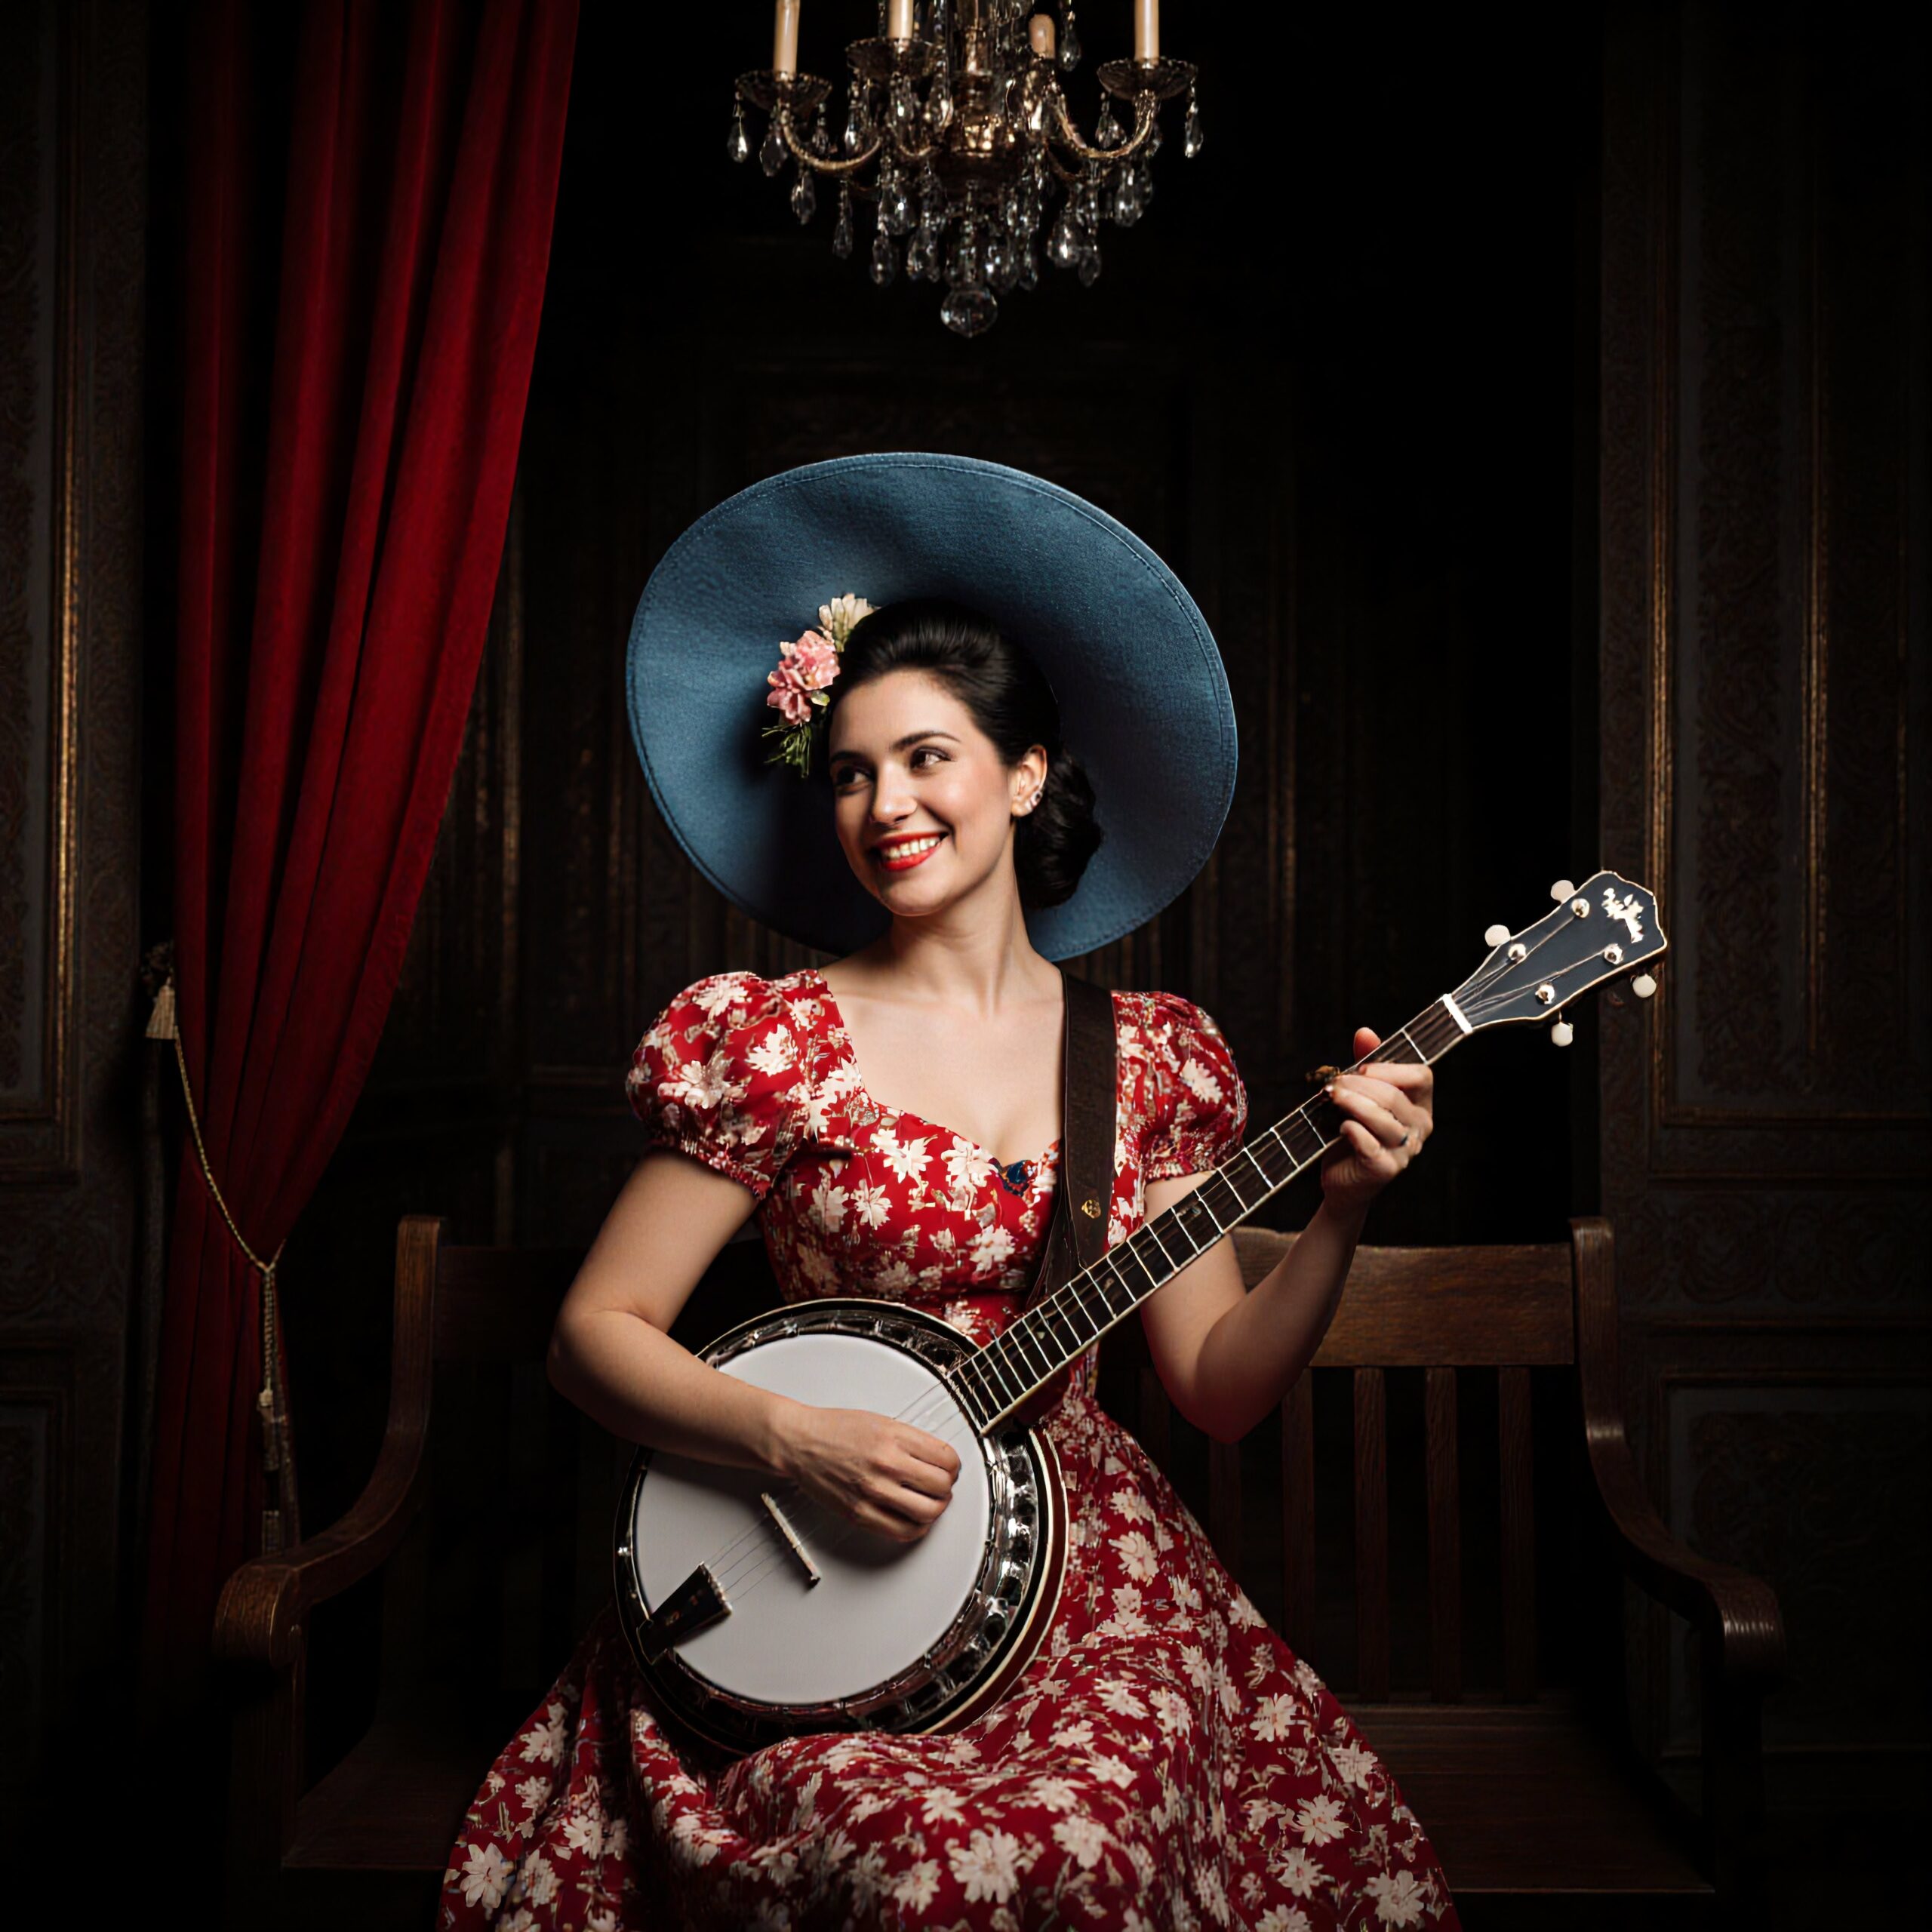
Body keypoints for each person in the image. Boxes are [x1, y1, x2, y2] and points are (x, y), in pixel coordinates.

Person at [441, 457, 1457, 1931]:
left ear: (1024, 771)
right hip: (804, 1576)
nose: (883, 800)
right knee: (906, 1860)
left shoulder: (1150, 1057)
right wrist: (787, 1437)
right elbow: (592, 1329)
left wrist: (1346, 1205)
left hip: (1091, 1592)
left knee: (1066, 1854)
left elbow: (1217, 1385)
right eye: (848, 769)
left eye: (925, 756)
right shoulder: (769, 1039)